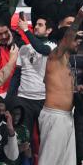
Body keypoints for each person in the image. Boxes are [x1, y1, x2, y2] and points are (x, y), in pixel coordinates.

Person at [37, 9, 83, 165]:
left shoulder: (66, 63)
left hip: (67, 117)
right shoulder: (55, 56)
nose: (78, 42)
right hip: (54, 116)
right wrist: (79, 18)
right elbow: (66, 39)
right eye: (75, 39)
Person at [15, 14, 56, 143]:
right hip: (24, 98)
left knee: (46, 137)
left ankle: (45, 162)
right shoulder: (24, 48)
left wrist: (26, 30)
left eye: (40, 25)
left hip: (43, 99)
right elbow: (17, 76)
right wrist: (11, 99)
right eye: (36, 25)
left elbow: (42, 49)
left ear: (49, 30)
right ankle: (24, 163)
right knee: (22, 137)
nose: (36, 27)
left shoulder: (53, 46)